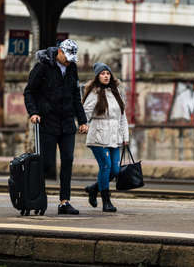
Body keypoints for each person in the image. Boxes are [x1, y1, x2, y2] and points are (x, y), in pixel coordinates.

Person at [24, 39, 88, 215]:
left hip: (67, 123)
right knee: (46, 164)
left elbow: (76, 95)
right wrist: (33, 112)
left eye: (71, 58)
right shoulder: (43, 67)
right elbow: (29, 91)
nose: (68, 61)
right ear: (59, 51)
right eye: (66, 57)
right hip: (48, 121)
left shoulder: (72, 68)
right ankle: (36, 198)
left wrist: (82, 120)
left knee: (68, 160)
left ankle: (64, 202)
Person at [82, 62, 129, 212]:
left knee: (115, 170)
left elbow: (123, 117)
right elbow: (85, 111)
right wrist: (83, 123)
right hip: (99, 136)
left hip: (114, 137)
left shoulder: (116, 92)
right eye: (102, 73)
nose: (106, 76)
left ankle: (93, 188)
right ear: (97, 77)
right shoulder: (94, 93)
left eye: (107, 73)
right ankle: (106, 202)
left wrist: (125, 136)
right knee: (106, 166)